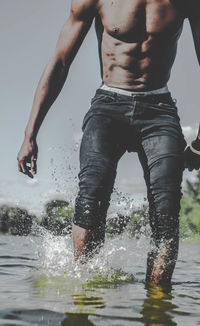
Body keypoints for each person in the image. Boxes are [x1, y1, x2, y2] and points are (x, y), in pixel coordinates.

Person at [17, 0, 200, 284]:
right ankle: (85, 291)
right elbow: (60, 61)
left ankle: (157, 305)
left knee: (167, 215)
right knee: (90, 200)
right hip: (108, 105)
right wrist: (30, 133)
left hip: (159, 111)